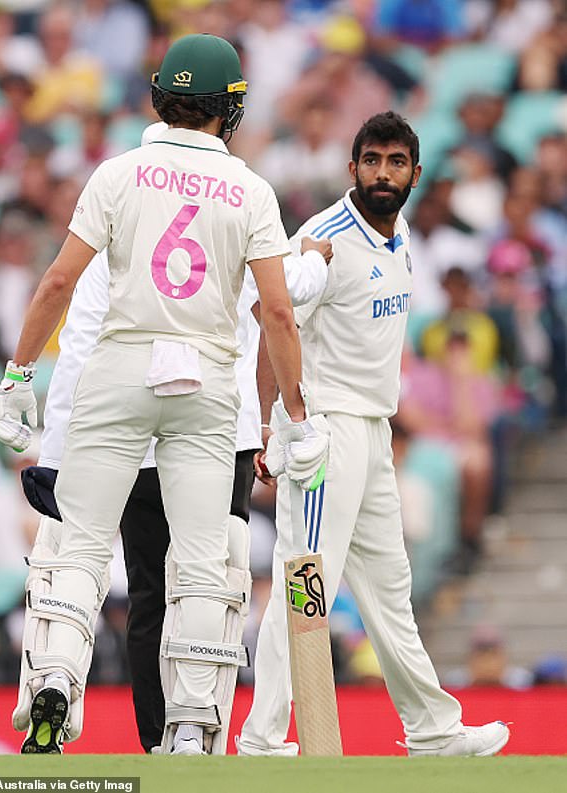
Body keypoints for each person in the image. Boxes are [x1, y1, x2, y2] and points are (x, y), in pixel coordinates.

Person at [0, 34, 329, 755]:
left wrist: (18, 375)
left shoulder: (117, 174)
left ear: (157, 97)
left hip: (120, 371)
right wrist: (295, 414)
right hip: (205, 382)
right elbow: (277, 311)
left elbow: (57, 283)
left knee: (76, 546)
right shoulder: (251, 189)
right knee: (206, 560)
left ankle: (53, 676)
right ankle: (193, 728)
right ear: (229, 109)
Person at [237, 111, 510, 758]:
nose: (382, 173)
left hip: (374, 433)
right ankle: (262, 735)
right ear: (351, 166)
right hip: (324, 436)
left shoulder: (402, 230)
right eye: (371, 160)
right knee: (306, 586)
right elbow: (271, 320)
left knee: (390, 589)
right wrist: (270, 429)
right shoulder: (323, 238)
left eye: (395, 162)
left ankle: (433, 729)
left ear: (415, 172)